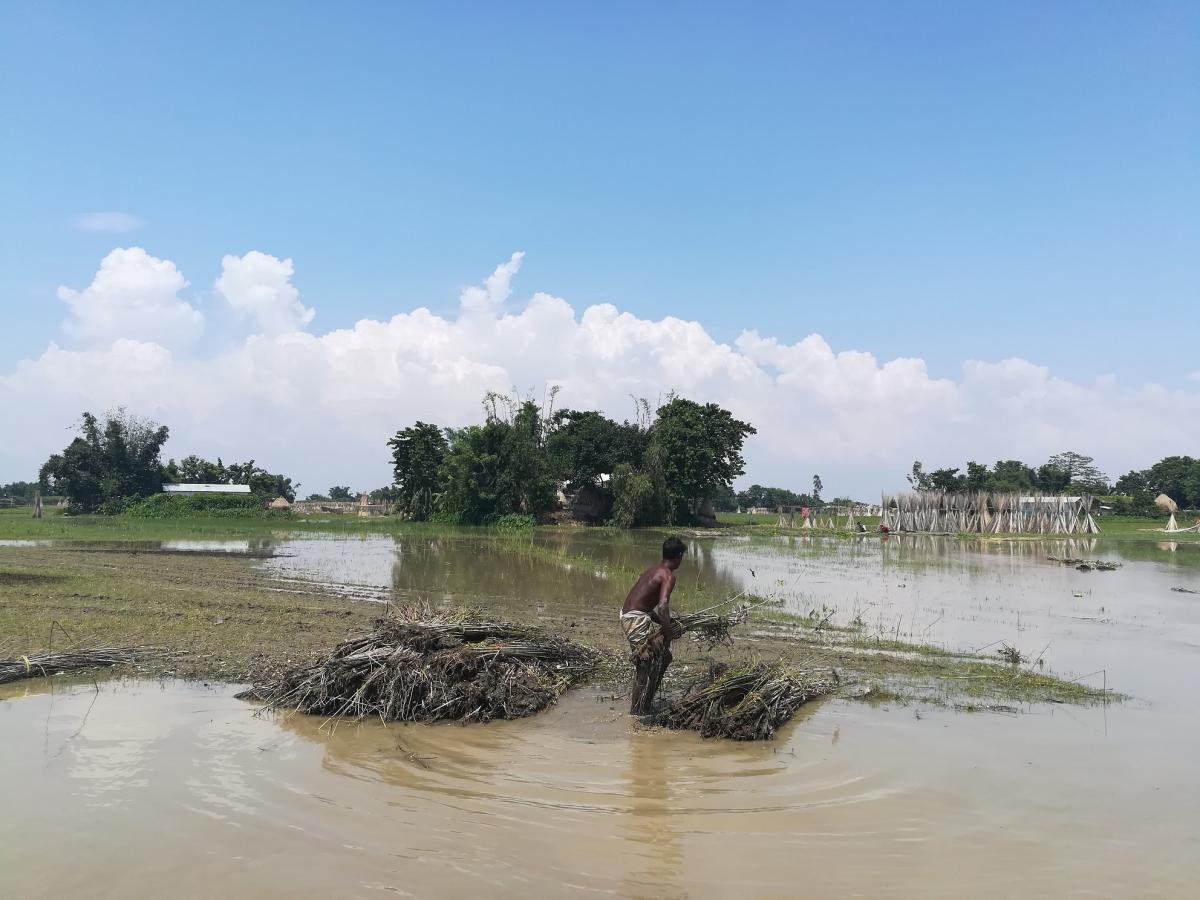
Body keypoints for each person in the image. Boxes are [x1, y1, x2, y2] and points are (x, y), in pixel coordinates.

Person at [621, 536, 686, 714]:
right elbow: (663, 605)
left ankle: (646, 704)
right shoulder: (668, 576)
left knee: (664, 658)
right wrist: (668, 631)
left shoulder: (654, 570)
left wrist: (665, 623)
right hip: (635, 619)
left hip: (631, 615)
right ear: (679, 556)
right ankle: (637, 713)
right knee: (644, 665)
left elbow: (647, 606)